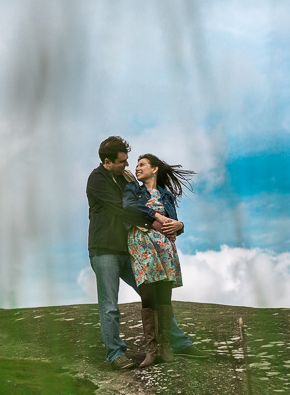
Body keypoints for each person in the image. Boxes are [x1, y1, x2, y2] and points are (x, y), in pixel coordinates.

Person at [87, 136, 204, 369]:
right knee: (109, 304)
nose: (128, 165)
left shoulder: (128, 180)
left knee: (153, 295)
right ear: (107, 162)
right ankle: (115, 354)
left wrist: (176, 226)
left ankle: (176, 343)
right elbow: (124, 208)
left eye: (129, 161)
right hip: (106, 249)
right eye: (122, 161)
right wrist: (155, 221)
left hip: (133, 249)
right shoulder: (96, 180)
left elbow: (156, 204)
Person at [122, 153, 194, 368]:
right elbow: (129, 207)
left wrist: (180, 225)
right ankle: (152, 351)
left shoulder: (166, 195)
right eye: (136, 165)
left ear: (154, 169)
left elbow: (173, 224)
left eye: (142, 164)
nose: (137, 168)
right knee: (148, 293)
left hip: (164, 247)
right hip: (142, 243)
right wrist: (157, 216)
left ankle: (165, 349)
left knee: (164, 296)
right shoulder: (133, 189)